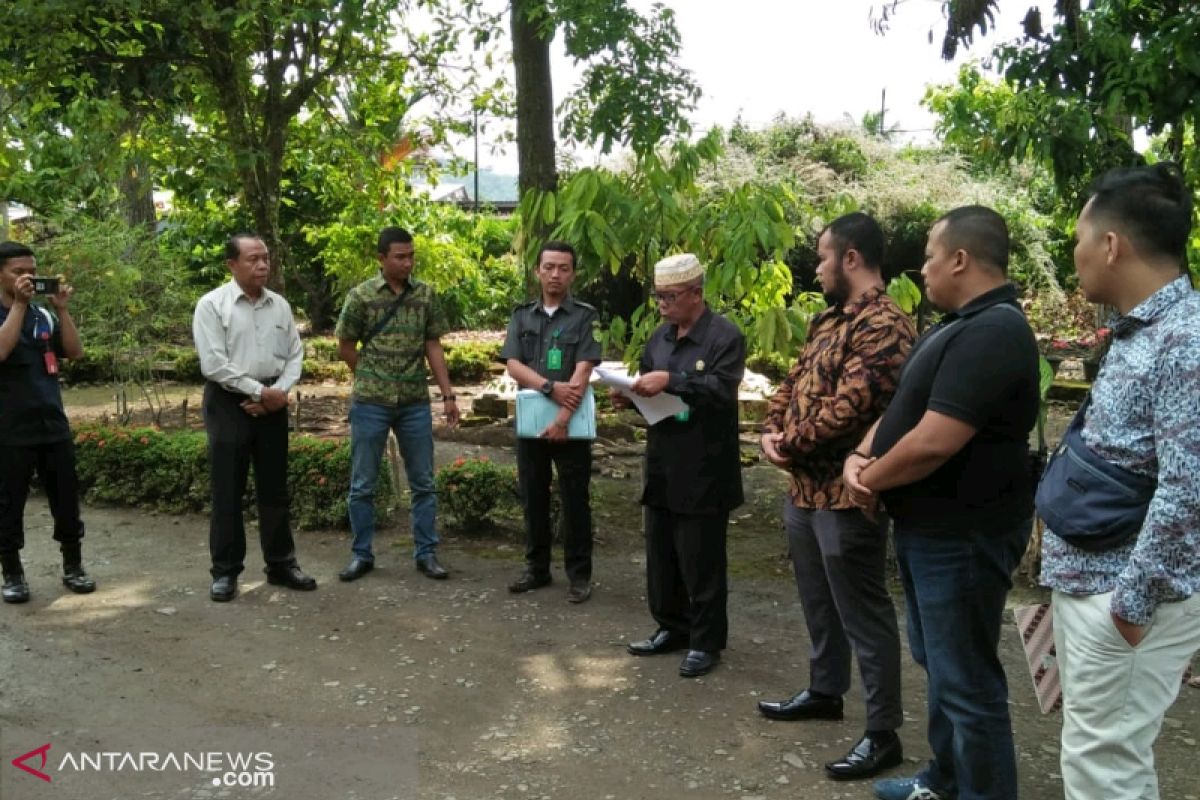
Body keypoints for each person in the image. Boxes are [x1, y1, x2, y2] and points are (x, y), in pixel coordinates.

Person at [844, 207, 1039, 800]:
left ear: (960, 258)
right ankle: (944, 780)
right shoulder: (958, 324)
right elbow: (907, 407)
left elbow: (935, 440)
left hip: (964, 535)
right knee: (939, 664)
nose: (922, 267)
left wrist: (870, 479)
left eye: (930, 254)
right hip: (930, 530)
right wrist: (860, 455)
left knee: (967, 682)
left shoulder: (996, 330)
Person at [1040, 163, 1200, 800]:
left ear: (1111, 244)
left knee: (1104, 771)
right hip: (1101, 586)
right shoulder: (1148, 331)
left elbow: (1190, 490)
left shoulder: (1184, 340)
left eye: (1081, 236)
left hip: (1127, 599)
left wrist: (1130, 608)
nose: (1074, 252)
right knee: (1104, 761)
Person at [757, 213, 914, 780]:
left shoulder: (887, 324)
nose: (818, 268)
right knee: (818, 602)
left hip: (849, 495)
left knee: (863, 613)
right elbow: (793, 381)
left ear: (851, 259)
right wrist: (771, 428)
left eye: (823, 257)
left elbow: (852, 406)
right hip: (804, 489)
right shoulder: (826, 319)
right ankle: (825, 691)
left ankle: (882, 731)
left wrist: (790, 443)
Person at [619, 253, 745, 678]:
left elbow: (721, 390)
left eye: (670, 297)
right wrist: (632, 396)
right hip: (663, 462)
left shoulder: (724, 336)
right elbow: (649, 390)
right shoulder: (660, 338)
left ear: (696, 293)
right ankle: (671, 626)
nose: (663, 305)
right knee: (662, 553)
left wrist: (671, 381)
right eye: (658, 297)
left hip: (705, 465)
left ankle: (706, 641)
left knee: (701, 559)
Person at [193, 233, 315, 602]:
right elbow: (214, 364)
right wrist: (260, 393)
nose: (262, 265)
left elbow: (295, 354)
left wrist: (277, 393)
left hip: (273, 403)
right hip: (230, 403)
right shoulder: (212, 305)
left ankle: (281, 563)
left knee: (275, 488)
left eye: (265, 258)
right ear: (232, 264)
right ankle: (226, 572)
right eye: (253, 259)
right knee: (227, 489)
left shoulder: (279, 305)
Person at [335, 226, 459, 582]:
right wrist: (372, 374)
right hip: (370, 403)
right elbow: (345, 346)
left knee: (423, 481)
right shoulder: (361, 297)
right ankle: (362, 554)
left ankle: (426, 553)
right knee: (363, 483)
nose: (408, 263)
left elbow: (432, 345)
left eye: (411, 256)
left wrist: (448, 395)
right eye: (400, 257)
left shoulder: (425, 296)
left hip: (414, 403)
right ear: (381, 259)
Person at [500, 241, 601, 602]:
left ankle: (579, 575)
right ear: (537, 271)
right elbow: (513, 364)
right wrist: (547, 386)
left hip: (570, 427)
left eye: (563, 268)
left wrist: (562, 418)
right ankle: (537, 569)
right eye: (549, 267)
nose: (555, 275)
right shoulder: (521, 315)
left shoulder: (586, 316)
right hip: (531, 425)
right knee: (533, 498)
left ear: (573, 273)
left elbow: (585, 368)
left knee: (576, 501)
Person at [0, 241, 96, 604]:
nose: (28, 277)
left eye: (32, 270)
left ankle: (73, 566)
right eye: (18, 271)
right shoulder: (12, 311)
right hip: (9, 427)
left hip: (51, 422)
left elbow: (73, 352)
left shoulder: (44, 315)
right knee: (9, 502)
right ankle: (12, 573)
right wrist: (20, 306)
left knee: (66, 498)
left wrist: (63, 310)